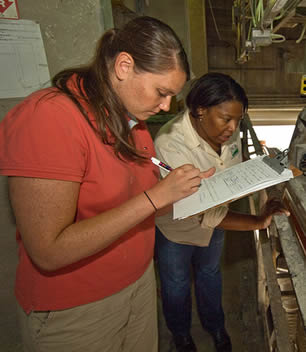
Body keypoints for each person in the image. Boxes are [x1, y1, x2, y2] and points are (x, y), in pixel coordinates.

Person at [0, 17, 215, 352]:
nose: (166, 106)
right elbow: (48, 251)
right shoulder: (48, 119)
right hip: (77, 308)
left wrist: (186, 190)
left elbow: (135, 206)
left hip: (137, 285)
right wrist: (156, 196)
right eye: (162, 92)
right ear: (124, 66)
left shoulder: (131, 121)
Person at [154, 73, 290, 352]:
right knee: (176, 284)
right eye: (226, 118)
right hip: (177, 229)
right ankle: (180, 335)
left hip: (216, 224)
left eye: (238, 120)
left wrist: (262, 175)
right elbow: (202, 211)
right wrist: (257, 221)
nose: (233, 127)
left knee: (210, 274)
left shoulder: (226, 135)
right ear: (200, 110)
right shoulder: (171, 143)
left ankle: (215, 327)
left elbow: (231, 178)